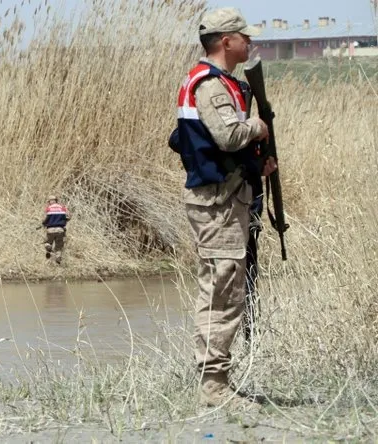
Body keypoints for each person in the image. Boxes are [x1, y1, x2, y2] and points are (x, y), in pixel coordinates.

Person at [173, 7, 277, 408]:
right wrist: (260, 127)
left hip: (224, 196)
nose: (249, 42)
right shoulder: (211, 86)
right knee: (223, 291)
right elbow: (228, 134)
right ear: (225, 41)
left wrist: (257, 163)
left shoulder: (220, 83)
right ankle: (213, 386)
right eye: (243, 36)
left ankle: (213, 380)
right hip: (217, 203)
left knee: (223, 286)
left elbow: (214, 145)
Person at [41, 195, 70, 264]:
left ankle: (48, 246)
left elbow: (45, 219)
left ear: (50, 201)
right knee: (59, 246)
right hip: (60, 230)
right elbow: (68, 216)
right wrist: (64, 221)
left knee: (47, 242)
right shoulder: (63, 208)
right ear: (56, 201)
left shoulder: (48, 208)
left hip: (50, 229)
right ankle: (58, 257)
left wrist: (43, 224)